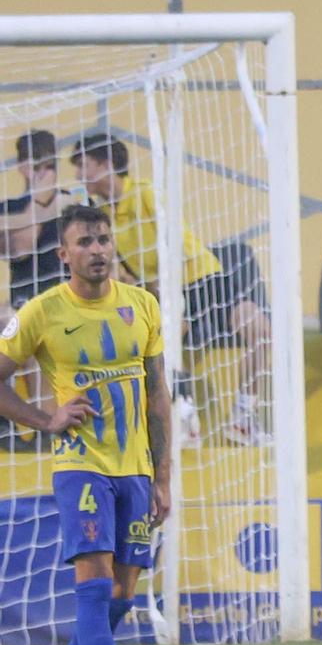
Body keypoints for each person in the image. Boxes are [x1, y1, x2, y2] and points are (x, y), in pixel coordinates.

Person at [5, 205, 169, 645]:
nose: (98, 249)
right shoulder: (42, 311)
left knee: (121, 598)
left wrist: (162, 476)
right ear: (63, 254)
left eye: (104, 239)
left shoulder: (143, 305)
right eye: (86, 242)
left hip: (136, 471)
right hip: (81, 467)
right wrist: (44, 419)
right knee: (95, 591)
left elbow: (158, 396)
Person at [71, 134, 271, 447]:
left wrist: (160, 286)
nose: (78, 176)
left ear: (107, 165)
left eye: (84, 166)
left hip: (203, 278)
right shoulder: (102, 218)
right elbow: (123, 270)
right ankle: (184, 416)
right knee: (159, 342)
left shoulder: (146, 192)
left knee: (260, 330)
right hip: (161, 295)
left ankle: (243, 416)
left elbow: (172, 240)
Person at [0, 130, 86, 435]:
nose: (43, 172)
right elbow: (21, 246)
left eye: (48, 165)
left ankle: (43, 429)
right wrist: (39, 201)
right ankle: (29, 428)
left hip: (68, 302)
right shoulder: (9, 208)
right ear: (21, 166)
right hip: (23, 303)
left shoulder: (73, 203)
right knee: (18, 323)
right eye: (35, 165)